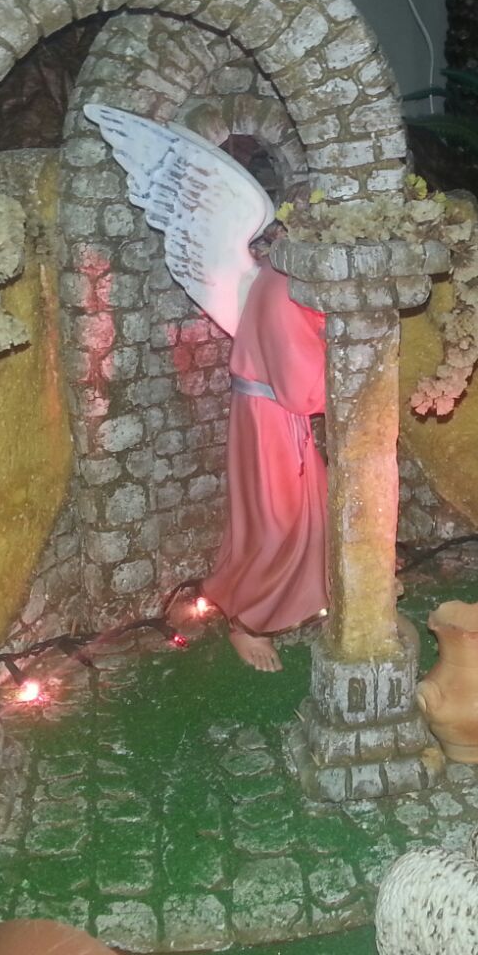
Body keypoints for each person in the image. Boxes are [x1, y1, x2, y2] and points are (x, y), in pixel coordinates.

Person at [197, 241, 328, 671]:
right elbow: (302, 386)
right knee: (278, 520)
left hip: (267, 412)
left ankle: (303, 599)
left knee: (303, 509)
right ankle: (248, 622)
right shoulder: (286, 289)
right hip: (271, 417)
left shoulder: (280, 273)